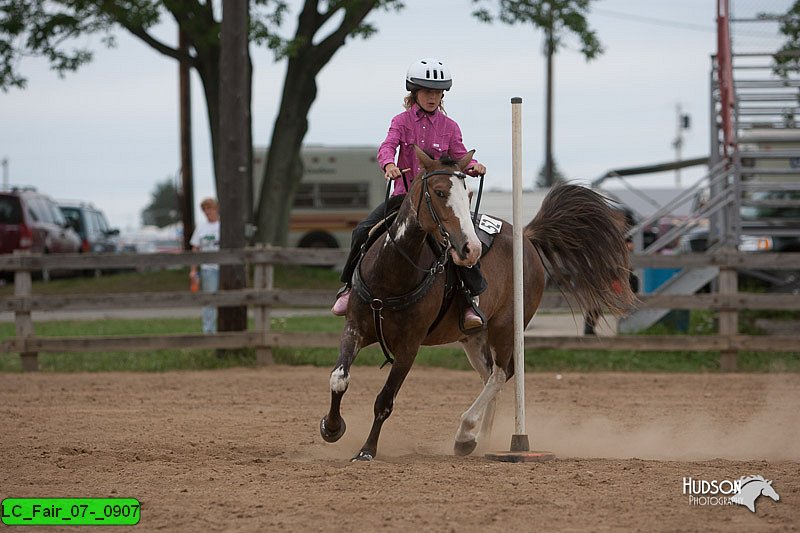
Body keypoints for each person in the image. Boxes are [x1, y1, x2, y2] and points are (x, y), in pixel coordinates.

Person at [331, 58, 488, 329]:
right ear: (414, 92)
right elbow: (388, 146)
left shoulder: (450, 127)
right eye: (428, 92)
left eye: (438, 93)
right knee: (363, 231)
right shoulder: (401, 122)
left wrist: (473, 166)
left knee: (461, 241)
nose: (433, 98)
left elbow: (460, 154)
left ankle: (467, 305)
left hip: (437, 207)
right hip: (404, 200)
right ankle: (348, 289)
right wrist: (389, 164)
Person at [190, 197, 221, 334]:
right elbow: (195, 248)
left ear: (216, 209)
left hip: (224, 267)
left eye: (210, 209)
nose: (208, 212)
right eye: (205, 210)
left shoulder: (222, 225)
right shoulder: (201, 228)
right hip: (208, 268)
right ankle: (209, 331)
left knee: (228, 298)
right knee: (209, 300)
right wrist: (193, 270)